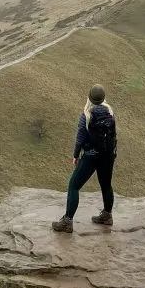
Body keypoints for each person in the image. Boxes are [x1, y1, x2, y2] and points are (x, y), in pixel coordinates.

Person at [52, 84, 117, 233]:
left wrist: (76, 155)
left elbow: (80, 138)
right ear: (103, 98)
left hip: (91, 156)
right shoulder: (110, 112)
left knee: (74, 185)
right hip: (107, 155)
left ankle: (67, 221)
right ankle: (107, 215)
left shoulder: (87, 115)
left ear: (89, 98)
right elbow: (113, 135)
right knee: (106, 185)